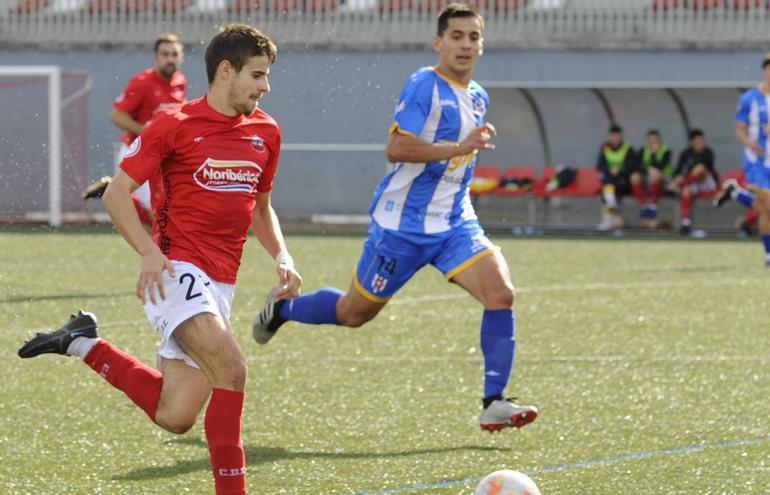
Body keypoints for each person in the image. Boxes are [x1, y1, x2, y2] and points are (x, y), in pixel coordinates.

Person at [19, 24, 297, 495]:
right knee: (232, 369)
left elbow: (261, 206)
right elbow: (118, 195)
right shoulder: (174, 123)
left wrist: (282, 255)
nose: (265, 86)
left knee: (176, 414)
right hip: (175, 270)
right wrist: (149, 251)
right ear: (225, 71)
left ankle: (82, 342)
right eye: (258, 75)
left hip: (221, 284)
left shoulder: (266, 131)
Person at [252, 3, 538, 433]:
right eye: (456, 36)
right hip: (401, 227)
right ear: (438, 42)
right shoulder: (424, 85)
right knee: (354, 313)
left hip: (454, 224)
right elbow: (397, 149)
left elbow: (458, 157)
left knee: (502, 293)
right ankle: (283, 309)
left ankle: (494, 401)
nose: (465, 44)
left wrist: (464, 155)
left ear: (483, 43)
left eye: (473, 36)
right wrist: (459, 147)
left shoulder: (478, 95)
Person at [82, 33, 187, 225]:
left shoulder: (180, 81)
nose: (170, 59)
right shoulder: (142, 82)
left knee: (162, 209)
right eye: (165, 54)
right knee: (157, 212)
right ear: (156, 57)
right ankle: (162, 252)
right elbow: (116, 115)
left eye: (174, 54)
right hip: (138, 151)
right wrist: (146, 130)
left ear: (181, 57)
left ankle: (112, 189)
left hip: (163, 154)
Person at [714, 48, 770, 267]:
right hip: (756, 162)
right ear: (764, 72)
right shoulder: (750, 99)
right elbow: (739, 128)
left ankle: (735, 192)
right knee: (768, 207)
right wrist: (748, 142)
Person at [596, 124, 649, 231]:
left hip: (624, 182)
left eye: (617, 136)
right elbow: (600, 166)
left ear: (621, 136)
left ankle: (609, 218)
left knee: (607, 190)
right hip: (611, 182)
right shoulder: (604, 148)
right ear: (609, 137)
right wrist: (610, 170)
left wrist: (619, 170)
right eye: (613, 136)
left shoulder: (627, 149)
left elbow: (632, 166)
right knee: (606, 185)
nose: (615, 138)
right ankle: (610, 215)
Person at [673, 128, 718, 235]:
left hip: (707, 182)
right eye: (697, 141)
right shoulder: (685, 153)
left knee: (699, 168)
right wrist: (678, 178)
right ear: (692, 142)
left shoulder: (708, 152)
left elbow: (706, 170)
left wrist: (681, 182)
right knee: (686, 191)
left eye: (702, 140)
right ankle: (685, 223)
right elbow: (677, 171)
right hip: (692, 183)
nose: (700, 143)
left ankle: (680, 185)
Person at [641, 129, 674, 229]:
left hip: (665, 181)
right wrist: (648, 169)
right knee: (635, 177)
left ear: (659, 140)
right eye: (650, 141)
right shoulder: (643, 150)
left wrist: (654, 155)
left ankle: (653, 207)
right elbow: (635, 164)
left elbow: (661, 167)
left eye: (655, 140)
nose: (652, 143)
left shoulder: (666, 150)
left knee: (656, 175)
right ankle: (644, 206)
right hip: (648, 181)